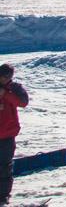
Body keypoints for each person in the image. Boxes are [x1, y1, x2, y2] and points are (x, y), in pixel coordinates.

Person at [0, 64, 28, 205]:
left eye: (8, 77)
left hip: (7, 135)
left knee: (4, 167)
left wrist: (5, 94)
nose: (6, 79)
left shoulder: (15, 88)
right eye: (3, 76)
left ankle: (3, 196)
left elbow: (23, 102)